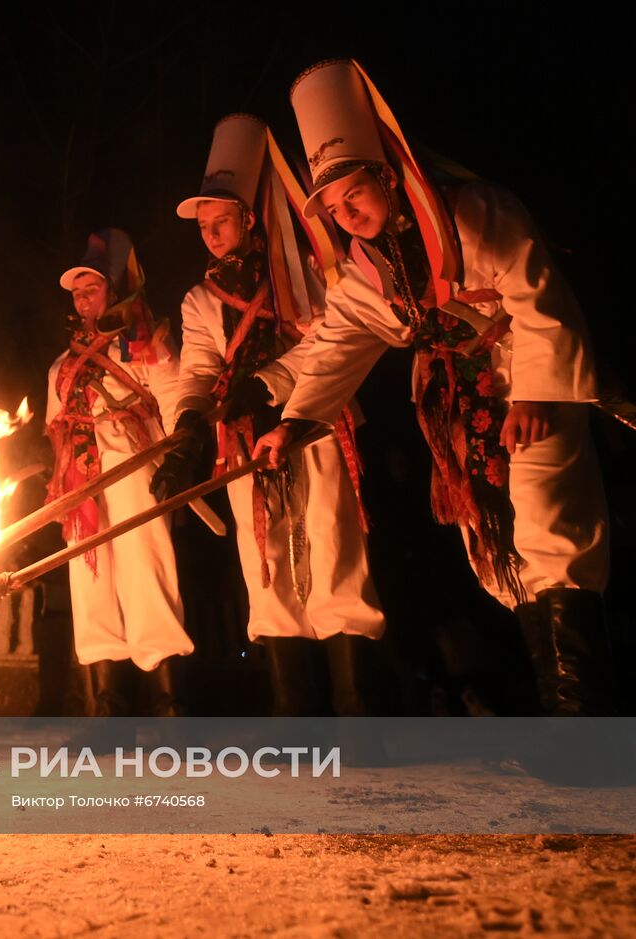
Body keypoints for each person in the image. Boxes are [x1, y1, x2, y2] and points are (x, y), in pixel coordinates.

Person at [254, 59, 611, 716]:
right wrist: (294, 423)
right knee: (500, 550)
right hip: (459, 411)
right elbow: (340, 342)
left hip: (527, 382)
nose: (346, 213)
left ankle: (582, 725)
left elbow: (537, 295)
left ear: (386, 175)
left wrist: (533, 393)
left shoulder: (473, 213)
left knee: (552, 530)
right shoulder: (369, 271)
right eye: (332, 208)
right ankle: (562, 722)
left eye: (353, 194)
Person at [155, 114, 385, 716]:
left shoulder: (305, 272)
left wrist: (265, 384)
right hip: (243, 441)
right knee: (267, 565)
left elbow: (332, 339)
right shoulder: (199, 299)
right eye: (203, 226)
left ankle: (357, 712)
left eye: (220, 220)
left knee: (333, 548)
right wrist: (186, 428)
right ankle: (294, 714)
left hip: (318, 425)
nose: (210, 234)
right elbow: (198, 371)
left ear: (249, 218)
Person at [47, 229, 190, 717]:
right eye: (77, 292)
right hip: (79, 484)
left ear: (116, 288)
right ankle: (106, 708)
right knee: (91, 587)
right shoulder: (61, 366)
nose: (84, 299)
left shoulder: (148, 344)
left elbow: (175, 405)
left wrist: (176, 460)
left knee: (145, 571)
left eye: (93, 287)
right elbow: (55, 425)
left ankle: (168, 704)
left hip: (134, 468)